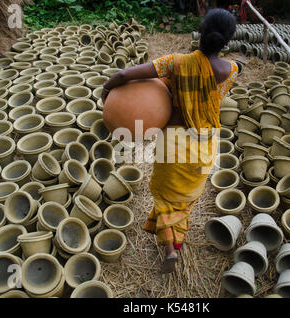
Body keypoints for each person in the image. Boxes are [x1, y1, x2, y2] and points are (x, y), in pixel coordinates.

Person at [102, 9, 238, 274]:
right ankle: (177, 240)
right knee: (184, 199)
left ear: (200, 31)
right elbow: (232, 67)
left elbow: (125, 75)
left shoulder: (175, 63)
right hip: (205, 147)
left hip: (174, 144)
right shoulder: (230, 71)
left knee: (165, 197)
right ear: (226, 41)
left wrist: (106, 90)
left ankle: (168, 248)